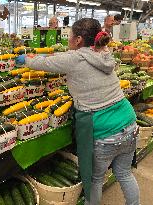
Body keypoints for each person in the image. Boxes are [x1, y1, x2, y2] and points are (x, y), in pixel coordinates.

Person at [16, 18, 140, 205]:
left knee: (94, 181)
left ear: (78, 39)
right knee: (124, 173)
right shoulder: (104, 52)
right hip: (129, 123)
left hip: (105, 132)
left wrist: (25, 59)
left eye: (70, 35)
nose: (68, 38)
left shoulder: (74, 59)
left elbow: (44, 63)